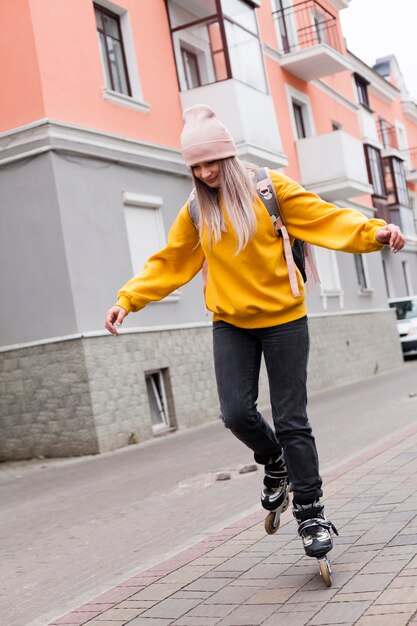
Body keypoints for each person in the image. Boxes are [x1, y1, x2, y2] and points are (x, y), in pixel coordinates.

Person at [105, 104, 405, 561]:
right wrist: (127, 300)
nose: (205, 173)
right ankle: (274, 462)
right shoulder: (195, 210)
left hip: (284, 318)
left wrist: (374, 232)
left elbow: (326, 218)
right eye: (196, 166)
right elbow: (170, 262)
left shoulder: (270, 189)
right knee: (235, 413)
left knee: (292, 421)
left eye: (212, 163)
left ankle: (310, 513)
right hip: (231, 323)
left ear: (228, 156)